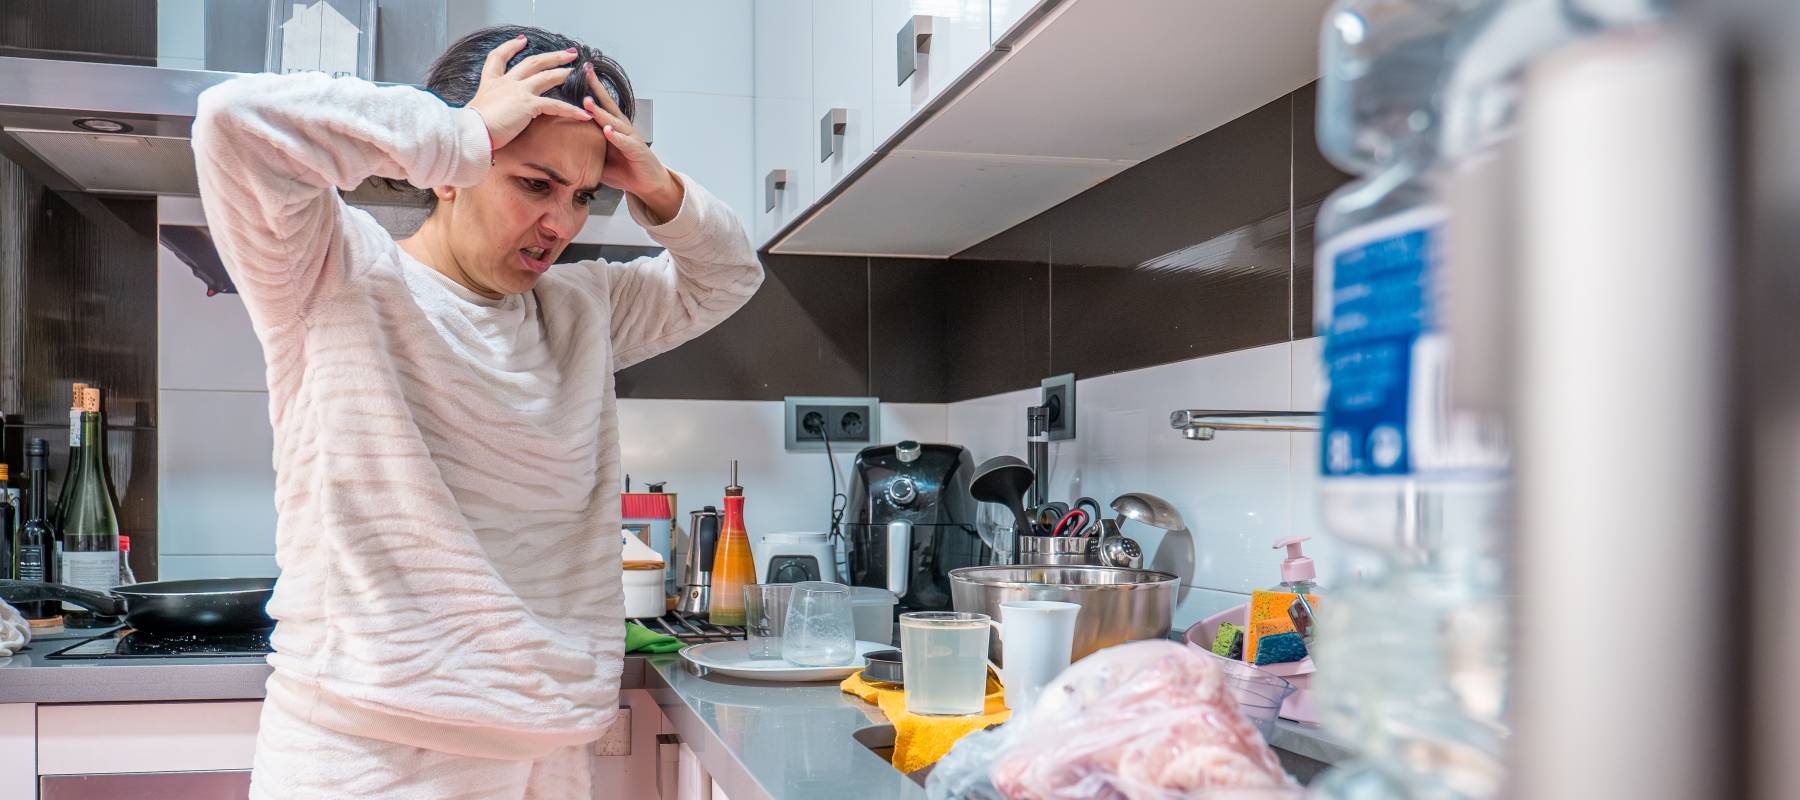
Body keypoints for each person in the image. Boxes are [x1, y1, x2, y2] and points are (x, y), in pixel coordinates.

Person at [191, 24, 763, 799]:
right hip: (366, 757)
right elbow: (234, 120)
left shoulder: (583, 309)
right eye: (535, 184)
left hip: (549, 749)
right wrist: (459, 130)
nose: (561, 225)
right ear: (453, 170)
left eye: (583, 196)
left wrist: (654, 185)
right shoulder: (332, 270)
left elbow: (728, 276)